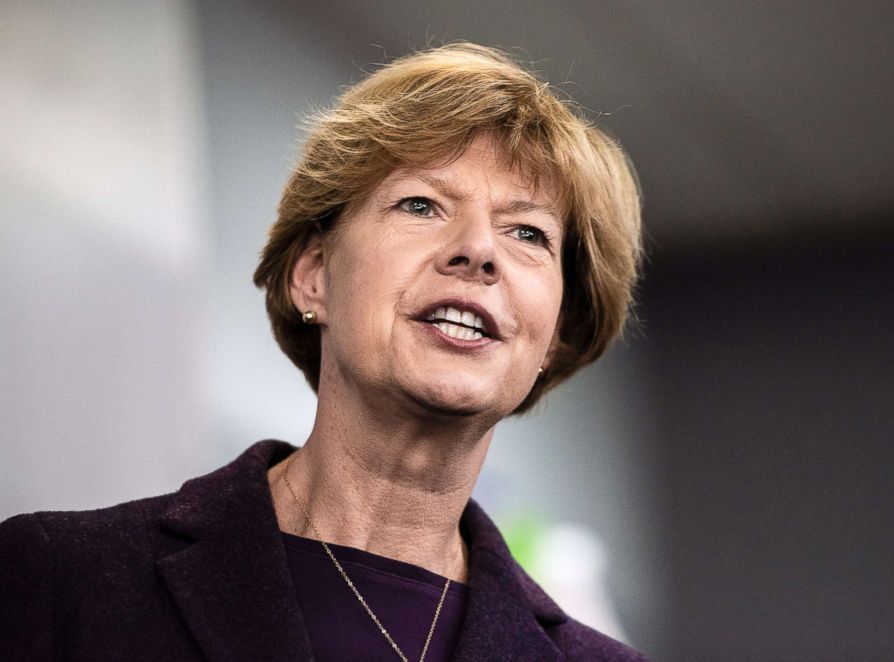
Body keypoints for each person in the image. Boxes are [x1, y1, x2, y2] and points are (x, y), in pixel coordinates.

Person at [0, 43, 646, 661]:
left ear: (557, 332)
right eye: (421, 204)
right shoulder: (60, 578)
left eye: (527, 232)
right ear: (312, 274)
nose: (477, 249)